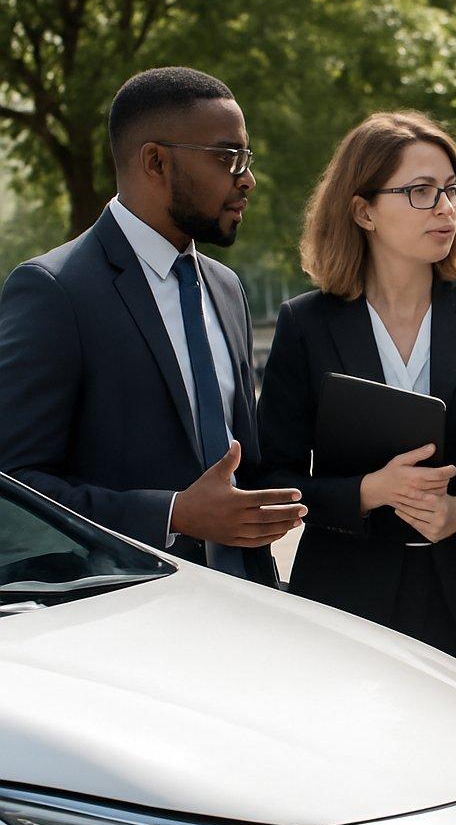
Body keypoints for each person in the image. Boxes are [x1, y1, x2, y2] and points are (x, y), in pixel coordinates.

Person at [256, 111, 456, 686]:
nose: (445, 208)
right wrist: (365, 492)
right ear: (363, 211)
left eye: (452, 190)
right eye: (420, 191)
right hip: (344, 609)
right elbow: (272, 477)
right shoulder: (306, 325)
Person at [0, 67, 305, 585]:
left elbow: (243, 465)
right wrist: (171, 514)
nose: (246, 179)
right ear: (156, 161)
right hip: (125, 622)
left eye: (246, 160)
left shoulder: (226, 289)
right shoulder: (55, 291)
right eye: (228, 157)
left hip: (248, 608)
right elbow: (13, 489)